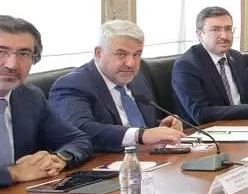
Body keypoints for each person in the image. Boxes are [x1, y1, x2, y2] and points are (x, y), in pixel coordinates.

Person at [50, 20, 185, 153]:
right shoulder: (72, 85)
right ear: (98, 53)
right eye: (121, 54)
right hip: (105, 162)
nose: (131, 63)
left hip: (147, 158)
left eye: (137, 54)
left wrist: (162, 128)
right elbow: (81, 130)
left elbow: (137, 125)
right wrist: (140, 135)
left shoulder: (137, 79)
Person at [0, 15, 92, 187]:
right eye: (1, 52)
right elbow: (17, 172)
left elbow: (79, 140)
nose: (12, 64)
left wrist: (58, 158)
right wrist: (13, 173)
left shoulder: (29, 97)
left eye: (24, 54)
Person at [171, 7, 248, 125]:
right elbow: (201, 113)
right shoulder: (186, 65)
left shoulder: (235, 56)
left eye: (228, 29)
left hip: (244, 125)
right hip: (209, 132)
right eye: (215, 30)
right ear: (200, 34)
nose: (224, 36)